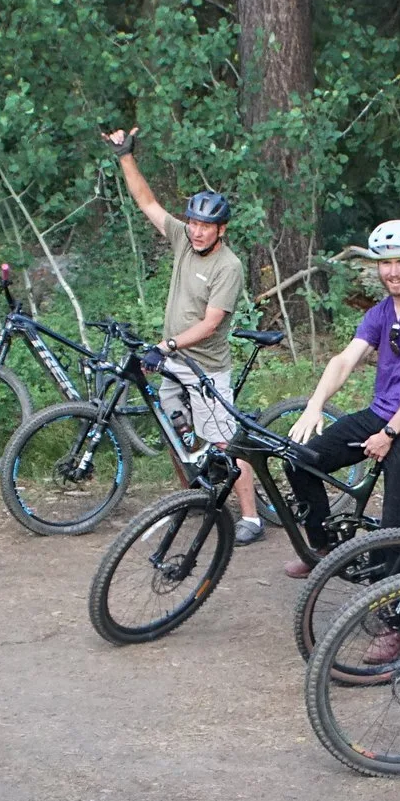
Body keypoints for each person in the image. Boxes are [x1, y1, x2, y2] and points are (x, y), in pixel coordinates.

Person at [282, 219, 400, 615]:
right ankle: (327, 548)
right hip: (382, 414)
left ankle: (393, 620)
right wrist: (314, 404)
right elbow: (345, 358)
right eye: (385, 263)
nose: (393, 271)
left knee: (391, 527)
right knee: (301, 462)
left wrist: (390, 433)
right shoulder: (381, 312)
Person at [101, 125, 262, 540]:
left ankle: (250, 518)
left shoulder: (229, 266)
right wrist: (125, 155)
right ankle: (194, 497)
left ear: (221, 229)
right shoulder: (182, 241)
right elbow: (147, 202)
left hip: (206, 367)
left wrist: (167, 344)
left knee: (225, 444)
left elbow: (210, 324)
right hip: (173, 361)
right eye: (193, 222)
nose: (196, 230)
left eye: (206, 226)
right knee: (177, 434)